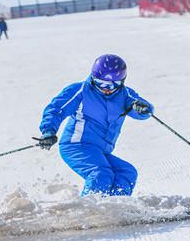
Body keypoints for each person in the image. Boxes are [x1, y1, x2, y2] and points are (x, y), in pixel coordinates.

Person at [36, 54, 153, 196]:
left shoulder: (125, 94)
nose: (107, 89)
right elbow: (56, 110)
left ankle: (114, 207)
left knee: (126, 172)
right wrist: (49, 131)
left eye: (113, 84)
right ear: (93, 78)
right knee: (100, 173)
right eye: (101, 83)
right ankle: (89, 211)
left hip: (99, 150)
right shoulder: (80, 91)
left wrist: (143, 109)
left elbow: (141, 109)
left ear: (122, 81)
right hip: (76, 145)